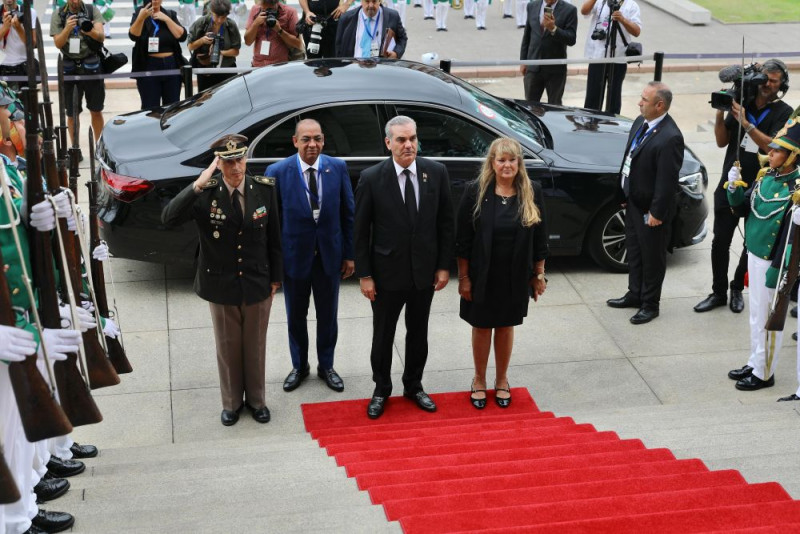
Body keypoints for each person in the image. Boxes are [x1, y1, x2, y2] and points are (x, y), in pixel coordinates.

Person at [161, 134, 283, 426]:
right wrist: (198, 183)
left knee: (255, 346)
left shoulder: (264, 189)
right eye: (228, 162)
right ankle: (231, 403)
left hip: (257, 282)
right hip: (220, 283)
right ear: (219, 164)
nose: (236, 167)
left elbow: (275, 237)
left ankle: (257, 401)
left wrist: (276, 278)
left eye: (240, 159)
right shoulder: (206, 192)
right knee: (228, 347)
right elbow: (168, 218)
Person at [354, 115, 455, 419]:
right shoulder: (372, 178)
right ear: (388, 143)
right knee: (383, 335)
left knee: (418, 332)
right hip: (386, 275)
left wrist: (442, 266)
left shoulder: (436, 173)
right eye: (401, 140)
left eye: (412, 138)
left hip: (423, 272)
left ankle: (413, 385)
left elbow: (445, 223)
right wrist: (365, 274)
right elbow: (360, 231)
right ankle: (381, 388)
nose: (409, 144)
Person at [455, 137, 548, 409]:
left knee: (506, 326)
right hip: (482, 274)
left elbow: (540, 238)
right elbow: (463, 240)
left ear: (519, 163)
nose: (507, 165)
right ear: (492, 163)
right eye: (501, 160)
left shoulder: (533, 191)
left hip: (515, 275)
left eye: (512, 160)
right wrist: (464, 278)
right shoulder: (475, 191)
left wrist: (539, 274)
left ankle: (502, 379)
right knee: (482, 326)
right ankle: (479, 380)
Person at [694, 60, 793, 314]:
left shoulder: (784, 112)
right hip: (729, 185)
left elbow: (772, 147)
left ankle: (737, 287)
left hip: (761, 190)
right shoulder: (743, 102)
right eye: (765, 79)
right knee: (720, 242)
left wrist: (747, 123)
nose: (768, 85)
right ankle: (717, 292)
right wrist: (721, 109)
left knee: (750, 245)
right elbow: (720, 141)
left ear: (782, 84)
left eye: (774, 80)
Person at [267, 119, 354, 393]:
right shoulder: (278, 172)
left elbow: (348, 214)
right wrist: (275, 264)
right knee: (296, 316)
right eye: (305, 139)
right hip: (295, 260)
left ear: (324, 140)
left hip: (329, 258)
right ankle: (299, 366)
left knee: (328, 316)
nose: (312, 144)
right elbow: (273, 223)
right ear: (295, 141)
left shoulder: (337, 168)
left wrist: (349, 255)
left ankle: (326, 366)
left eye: (317, 138)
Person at [726, 122, 800, 393]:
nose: (771, 153)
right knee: (756, 317)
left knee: (770, 320)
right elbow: (746, 208)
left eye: (778, 151)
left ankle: (765, 373)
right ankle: (755, 361)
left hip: (774, 262)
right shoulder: (766, 176)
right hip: (755, 256)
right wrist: (734, 189)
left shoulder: (797, 188)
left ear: (792, 155)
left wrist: (778, 269)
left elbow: (792, 236)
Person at [606, 81, 684, 324]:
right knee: (636, 253)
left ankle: (650, 304)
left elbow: (666, 181)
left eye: (644, 100)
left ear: (659, 105)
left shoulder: (670, 138)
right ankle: (635, 293)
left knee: (652, 258)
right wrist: (624, 195)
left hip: (651, 211)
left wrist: (656, 212)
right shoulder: (641, 122)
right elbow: (630, 158)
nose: (639, 103)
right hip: (633, 203)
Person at [50, 0, 107, 145]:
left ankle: (99, 147)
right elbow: (58, 43)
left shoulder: (91, 10)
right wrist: (67, 28)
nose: (75, 1)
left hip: (91, 65)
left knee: (96, 110)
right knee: (71, 113)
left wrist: (89, 30)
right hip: (69, 67)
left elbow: (101, 36)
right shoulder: (59, 14)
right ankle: (75, 149)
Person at [581, 0, 641, 115]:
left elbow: (637, 31)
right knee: (593, 97)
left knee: (614, 97)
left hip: (618, 58)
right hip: (598, 57)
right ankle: (590, 125)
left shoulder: (631, 5)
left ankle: (611, 126)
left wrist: (623, 20)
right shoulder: (600, 2)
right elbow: (584, 11)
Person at [129, 0, 187, 110]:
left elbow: (182, 36)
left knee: (172, 108)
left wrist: (166, 19)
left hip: (171, 65)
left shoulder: (170, 14)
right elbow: (133, 36)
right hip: (149, 65)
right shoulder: (140, 13)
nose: (154, 1)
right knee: (150, 109)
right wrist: (141, 17)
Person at [519, 0, 578, 105]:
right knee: (530, 105)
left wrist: (553, 29)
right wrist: (523, 61)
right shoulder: (532, 6)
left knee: (555, 106)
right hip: (533, 67)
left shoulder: (570, 10)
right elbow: (527, 36)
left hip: (555, 69)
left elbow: (571, 39)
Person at [187, 0, 241, 92]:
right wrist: (202, 40)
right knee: (206, 101)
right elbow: (190, 46)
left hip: (226, 69)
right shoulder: (202, 23)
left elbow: (236, 51)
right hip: (206, 72)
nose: (219, 20)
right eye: (217, 16)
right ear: (212, 12)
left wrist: (220, 53)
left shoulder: (231, 25)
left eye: (223, 17)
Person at [335, 0, 407, 59]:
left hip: (380, 70)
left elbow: (402, 38)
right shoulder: (346, 19)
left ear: (379, 1)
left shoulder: (392, 16)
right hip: (354, 70)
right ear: (361, 1)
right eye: (367, 1)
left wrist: (396, 53)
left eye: (374, 1)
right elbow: (338, 47)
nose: (371, 5)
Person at [243, 0, 302, 67]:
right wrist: (255, 24)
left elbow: (298, 44)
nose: (267, 12)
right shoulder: (255, 9)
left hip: (279, 67)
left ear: (276, 3)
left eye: (271, 9)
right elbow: (247, 42)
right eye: (264, 9)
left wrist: (279, 30)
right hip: (258, 65)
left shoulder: (289, 12)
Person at [0, 0, 38, 93]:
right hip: (2, 66)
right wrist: (4, 28)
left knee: (27, 104)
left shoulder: (29, 12)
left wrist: (18, 28)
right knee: (4, 105)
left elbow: (33, 44)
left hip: (24, 66)